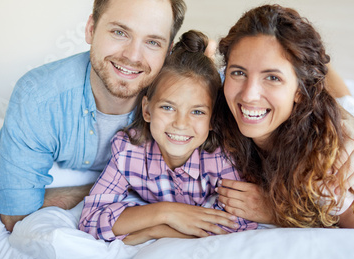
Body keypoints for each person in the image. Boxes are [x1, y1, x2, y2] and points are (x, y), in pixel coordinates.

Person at [0, 0, 187, 232]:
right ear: (91, 29)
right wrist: (101, 188)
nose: (133, 56)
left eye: (153, 42)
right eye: (120, 32)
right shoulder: (38, 97)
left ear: (168, 52)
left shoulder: (183, 101)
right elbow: (16, 214)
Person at [214, 4, 354, 228]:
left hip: (348, 119)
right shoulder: (217, 102)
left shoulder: (324, 154)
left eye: (272, 77)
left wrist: (276, 211)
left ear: (300, 90)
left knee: (348, 102)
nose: (249, 95)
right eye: (238, 72)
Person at [79, 31, 258, 245]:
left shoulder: (222, 157)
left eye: (197, 112)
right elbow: (90, 220)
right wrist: (164, 214)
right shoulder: (128, 150)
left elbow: (239, 223)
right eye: (167, 107)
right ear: (147, 110)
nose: (181, 124)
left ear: (213, 119)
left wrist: (161, 232)